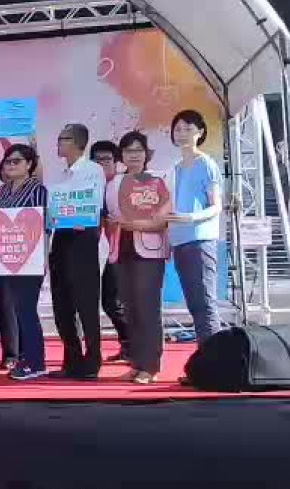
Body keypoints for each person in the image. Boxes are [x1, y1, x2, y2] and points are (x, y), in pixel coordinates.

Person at [105, 131, 170, 384]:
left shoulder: (157, 181)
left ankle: (150, 366)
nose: (133, 155)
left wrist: (135, 224)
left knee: (148, 308)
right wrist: (115, 224)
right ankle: (137, 362)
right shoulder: (113, 183)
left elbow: (163, 219)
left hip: (149, 251)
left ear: (146, 154)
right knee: (130, 308)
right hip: (121, 249)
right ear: (121, 155)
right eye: (128, 151)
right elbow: (111, 216)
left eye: (138, 150)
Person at [47, 124, 105, 380]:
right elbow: (52, 207)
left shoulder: (93, 170)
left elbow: (93, 206)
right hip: (61, 236)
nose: (59, 142)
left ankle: (92, 362)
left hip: (83, 238)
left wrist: (76, 214)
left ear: (79, 143)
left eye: (64, 138)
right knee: (62, 303)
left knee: (86, 303)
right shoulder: (58, 174)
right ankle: (71, 360)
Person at [0, 144, 49, 381]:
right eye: (8, 161)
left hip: (30, 258)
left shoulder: (37, 189)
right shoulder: (3, 191)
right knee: (17, 309)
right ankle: (26, 358)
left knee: (26, 309)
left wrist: (43, 257)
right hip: (7, 258)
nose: (11, 165)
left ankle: (36, 362)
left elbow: (42, 224)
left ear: (29, 164)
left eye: (17, 161)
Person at [166, 110, 223, 344]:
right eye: (178, 129)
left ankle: (215, 357)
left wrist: (191, 217)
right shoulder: (176, 168)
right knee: (194, 303)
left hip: (200, 239)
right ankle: (206, 356)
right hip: (179, 240)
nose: (182, 134)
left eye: (188, 129)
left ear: (200, 132)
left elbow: (216, 206)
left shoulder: (206, 164)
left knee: (205, 303)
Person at [90, 140, 132, 364]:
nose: (101, 164)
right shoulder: (93, 188)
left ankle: (134, 345)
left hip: (129, 250)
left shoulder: (122, 185)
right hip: (112, 250)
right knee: (111, 301)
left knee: (114, 301)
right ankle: (128, 345)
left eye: (106, 159)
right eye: (96, 160)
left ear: (117, 162)